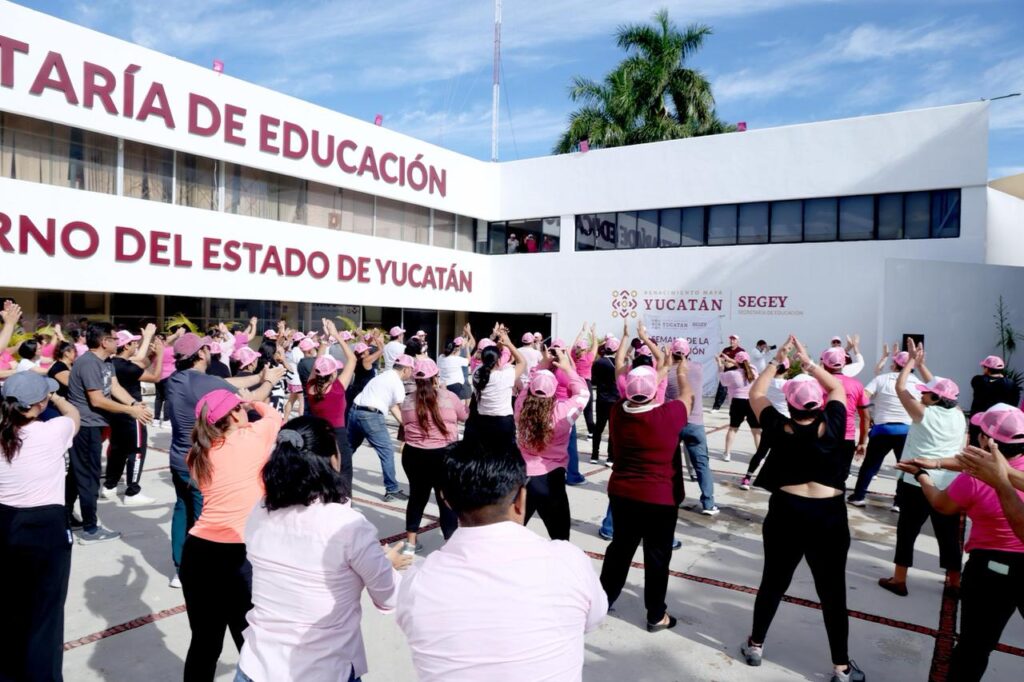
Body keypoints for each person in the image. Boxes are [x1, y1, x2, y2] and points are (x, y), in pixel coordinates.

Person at [397, 442, 607, 681]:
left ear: (445, 500)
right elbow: (593, 619)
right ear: (521, 499)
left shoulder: (417, 582)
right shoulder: (570, 562)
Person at [236, 416, 410, 682]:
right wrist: (388, 563)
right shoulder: (348, 525)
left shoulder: (260, 511)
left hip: (256, 666)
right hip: (322, 669)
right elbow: (389, 597)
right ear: (333, 461)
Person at [741, 337, 865, 682]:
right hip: (828, 515)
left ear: (790, 405)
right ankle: (841, 667)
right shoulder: (834, 422)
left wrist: (777, 361)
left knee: (773, 582)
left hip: (787, 512)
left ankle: (756, 645)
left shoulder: (777, 426)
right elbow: (836, 387)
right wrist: (809, 363)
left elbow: (756, 393)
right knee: (833, 592)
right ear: (819, 403)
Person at [895, 404, 1024, 681]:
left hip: (991, 571)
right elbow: (988, 464)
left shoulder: (972, 481)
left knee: (973, 648)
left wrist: (921, 476)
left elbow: (942, 505)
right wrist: (938, 462)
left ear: (985, 440)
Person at [164, 333, 284, 588]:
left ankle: (179, 567)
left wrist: (258, 376)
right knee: (207, 519)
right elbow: (250, 399)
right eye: (206, 348)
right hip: (206, 461)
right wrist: (268, 381)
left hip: (181, 459)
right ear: (201, 353)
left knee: (182, 510)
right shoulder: (204, 383)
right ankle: (202, 572)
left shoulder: (177, 378)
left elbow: (224, 382)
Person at [180, 389, 283, 681]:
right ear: (235, 415)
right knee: (251, 643)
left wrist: (241, 408)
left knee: (204, 642)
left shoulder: (196, 454)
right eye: (240, 408)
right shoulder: (251, 438)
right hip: (239, 554)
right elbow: (275, 416)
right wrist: (254, 401)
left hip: (198, 553)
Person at [600, 358, 692, 632]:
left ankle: (603, 601)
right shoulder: (669, 414)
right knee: (657, 557)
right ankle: (655, 614)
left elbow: (635, 391)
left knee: (619, 550)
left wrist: (660, 371)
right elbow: (687, 396)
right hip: (659, 499)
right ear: (655, 391)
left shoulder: (618, 411)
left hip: (623, 494)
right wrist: (680, 373)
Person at [0, 372, 79, 682]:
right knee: (46, 613)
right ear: (39, 403)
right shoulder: (53, 430)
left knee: (9, 607)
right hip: (45, 526)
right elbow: (74, 414)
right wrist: (56, 397)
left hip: (5, 521)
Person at [878, 340, 965, 597]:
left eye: (926, 393)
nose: (921, 395)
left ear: (935, 398)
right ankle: (955, 583)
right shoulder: (959, 414)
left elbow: (900, 387)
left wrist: (911, 363)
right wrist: (922, 365)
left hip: (916, 480)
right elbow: (940, 390)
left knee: (907, 531)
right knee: (948, 534)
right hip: (947, 482)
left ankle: (899, 580)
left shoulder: (922, 413)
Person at [66, 322, 153, 544]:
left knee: (77, 475)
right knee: (88, 477)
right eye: (115, 339)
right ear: (105, 342)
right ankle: (90, 530)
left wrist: (134, 403)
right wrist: (130, 411)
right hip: (85, 427)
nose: (118, 342)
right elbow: (97, 399)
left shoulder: (106, 362)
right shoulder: (88, 363)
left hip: (95, 424)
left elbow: (115, 388)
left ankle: (64, 517)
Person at [515, 350, 589, 540]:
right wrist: (568, 368)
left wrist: (542, 364)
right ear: (555, 390)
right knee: (561, 538)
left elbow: (528, 385)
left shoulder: (521, 406)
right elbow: (583, 393)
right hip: (551, 479)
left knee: (511, 535)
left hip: (522, 477)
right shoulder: (562, 412)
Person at [399, 358, 466, 552]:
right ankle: (450, 544)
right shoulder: (449, 397)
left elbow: (406, 423)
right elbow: (464, 416)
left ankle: (410, 544)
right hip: (442, 454)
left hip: (414, 454)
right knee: (445, 499)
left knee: (417, 497)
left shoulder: (408, 400)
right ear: (436, 376)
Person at [102, 326, 163, 506]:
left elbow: (140, 365)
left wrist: (152, 354)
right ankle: (132, 491)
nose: (136, 345)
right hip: (132, 414)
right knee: (136, 451)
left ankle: (110, 486)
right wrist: (160, 355)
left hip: (115, 413)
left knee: (117, 450)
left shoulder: (112, 363)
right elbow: (155, 377)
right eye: (133, 343)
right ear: (126, 346)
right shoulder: (126, 367)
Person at [848, 347, 916, 508]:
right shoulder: (918, 384)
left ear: (895, 364)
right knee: (904, 468)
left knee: (870, 465)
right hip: (907, 430)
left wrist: (870, 414)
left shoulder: (882, 379)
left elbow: (863, 396)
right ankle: (899, 503)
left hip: (882, 429)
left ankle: (859, 496)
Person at [349, 353, 414, 501]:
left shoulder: (382, 376)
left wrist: (405, 424)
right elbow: (401, 406)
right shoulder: (397, 382)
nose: (411, 374)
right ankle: (392, 489)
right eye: (411, 370)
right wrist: (412, 424)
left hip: (355, 411)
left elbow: (392, 406)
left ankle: (331, 478)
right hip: (371, 416)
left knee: (348, 449)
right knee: (387, 452)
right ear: (406, 369)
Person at [306, 319, 358, 493]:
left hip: (318, 436)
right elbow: (352, 359)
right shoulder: (337, 389)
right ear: (333, 373)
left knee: (320, 480)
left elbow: (317, 363)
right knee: (343, 479)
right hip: (338, 437)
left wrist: (325, 341)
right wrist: (336, 335)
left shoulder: (310, 387)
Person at [669, 338, 718, 515]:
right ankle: (708, 503)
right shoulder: (697, 368)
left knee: (672, 465)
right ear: (688, 352)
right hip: (695, 423)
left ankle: (673, 499)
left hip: (674, 423)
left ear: (671, 352)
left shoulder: (666, 371)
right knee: (702, 465)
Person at [463, 328, 525, 454]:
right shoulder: (505, 376)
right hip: (503, 422)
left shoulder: (476, 373)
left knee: (486, 454)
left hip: (483, 420)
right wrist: (508, 343)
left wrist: (498, 345)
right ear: (498, 360)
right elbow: (522, 362)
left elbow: (489, 357)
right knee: (504, 456)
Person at [741, 356, 791, 491]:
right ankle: (780, 481)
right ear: (787, 370)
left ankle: (747, 478)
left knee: (761, 451)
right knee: (783, 454)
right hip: (786, 422)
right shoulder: (789, 385)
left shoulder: (766, 383)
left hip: (769, 420)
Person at [819, 347, 870, 480]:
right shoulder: (857, 385)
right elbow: (865, 417)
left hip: (822, 436)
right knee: (840, 478)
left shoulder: (817, 383)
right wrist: (862, 442)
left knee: (819, 477)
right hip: (847, 438)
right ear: (844, 364)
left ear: (824, 364)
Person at [717, 349, 760, 461]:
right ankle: (760, 456)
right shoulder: (754, 371)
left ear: (736, 362)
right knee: (756, 431)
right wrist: (732, 360)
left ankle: (727, 454)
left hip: (737, 402)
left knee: (733, 429)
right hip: (752, 402)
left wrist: (720, 363)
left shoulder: (732, 374)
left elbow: (722, 380)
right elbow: (745, 364)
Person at [969, 355, 1020, 445]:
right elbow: (1014, 403)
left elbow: (985, 381)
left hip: (979, 421)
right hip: (999, 423)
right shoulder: (1010, 384)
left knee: (976, 445)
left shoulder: (977, 380)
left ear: (986, 369)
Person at [590, 337, 619, 468]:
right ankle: (610, 457)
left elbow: (594, 381)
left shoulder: (598, 362)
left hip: (601, 398)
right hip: (614, 399)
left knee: (598, 428)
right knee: (613, 429)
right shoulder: (617, 363)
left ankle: (594, 455)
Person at [571, 323, 599, 438]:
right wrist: (593, 332)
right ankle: (591, 432)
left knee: (572, 406)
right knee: (588, 409)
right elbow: (596, 345)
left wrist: (582, 331)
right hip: (586, 383)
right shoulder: (588, 357)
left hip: (576, 382)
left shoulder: (573, 355)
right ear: (586, 349)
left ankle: (569, 428)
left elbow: (574, 344)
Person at [712, 333, 744, 412]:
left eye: (734, 339)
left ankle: (738, 410)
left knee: (737, 393)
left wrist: (724, 361)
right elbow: (720, 360)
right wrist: (719, 360)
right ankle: (716, 407)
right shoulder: (726, 349)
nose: (732, 341)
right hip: (726, 374)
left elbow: (730, 364)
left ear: (738, 341)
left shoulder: (741, 351)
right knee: (721, 390)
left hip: (736, 375)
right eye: (731, 339)